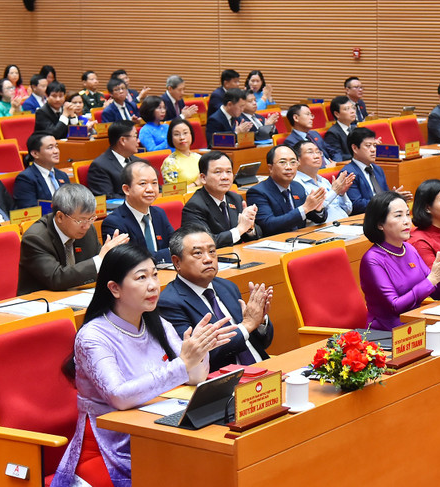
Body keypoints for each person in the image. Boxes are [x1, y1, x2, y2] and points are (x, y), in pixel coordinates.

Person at [51, 243, 234, 487]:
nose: (153, 285)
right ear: (114, 288)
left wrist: (201, 351)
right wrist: (183, 363)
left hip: (155, 428)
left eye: (155, 275)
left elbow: (194, 377)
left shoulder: (155, 322)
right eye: (141, 277)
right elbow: (119, 396)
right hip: (110, 444)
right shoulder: (92, 336)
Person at [158, 225, 274, 372]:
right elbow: (198, 358)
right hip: (224, 378)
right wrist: (248, 325)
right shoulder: (169, 303)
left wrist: (260, 322)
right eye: (198, 253)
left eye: (212, 251)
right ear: (177, 262)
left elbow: (262, 343)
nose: (208, 259)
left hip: (263, 367)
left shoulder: (227, 287)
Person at [360, 191, 440, 331]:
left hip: (416, 324)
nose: (407, 221)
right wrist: (432, 280)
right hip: (387, 332)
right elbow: (395, 306)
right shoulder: (372, 259)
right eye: (398, 216)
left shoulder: (409, 249)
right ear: (380, 224)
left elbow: (437, 294)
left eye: (407, 214)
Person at [18, 183, 129, 294]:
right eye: (80, 220)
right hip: (42, 299)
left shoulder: (88, 230)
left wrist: (113, 257)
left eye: (91, 218)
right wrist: (100, 259)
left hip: (78, 295)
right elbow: (56, 279)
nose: (87, 226)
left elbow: (98, 267)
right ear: (60, 217)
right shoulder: (35, 238)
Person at [181, 151, 261, 247]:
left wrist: (249, 227)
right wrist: (240, 229)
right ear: (203, 178)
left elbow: (257, 234)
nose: (225, 177)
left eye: (228, 172)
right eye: (218, 172)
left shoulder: (235, 199)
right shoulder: (194, 206)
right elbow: (203, 243)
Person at [246, 144, 327, 236]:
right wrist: (305, 208)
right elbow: (268, 225)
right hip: (275, 241)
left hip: (301, 239)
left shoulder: (297, 187)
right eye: (283, 162)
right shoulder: (258, 192)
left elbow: (317, 218)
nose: (289, 167)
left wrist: (317, 209)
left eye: (293, 162)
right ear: (270, 168)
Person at [101, 161, 174, 263]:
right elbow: (129, 261)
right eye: (143, 184)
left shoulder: (159, 213)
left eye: (154, 183)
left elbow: (176, 246)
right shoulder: (113, 223)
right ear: (126, 189)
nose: (150, 189)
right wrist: (167, 253)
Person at [341, 127, 411, 214]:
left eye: (374, 145)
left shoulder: (378, 169)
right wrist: (388, 199)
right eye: (368, 146)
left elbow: (384, 195)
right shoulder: (348, 173)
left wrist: (393, 196)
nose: (373, 150)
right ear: (355, 148)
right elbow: (356, 205)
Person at [294, 140, 354, 223]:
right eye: (310, 152)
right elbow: (312, 213)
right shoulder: (296, 184)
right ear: (297, 160)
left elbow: (348, 210)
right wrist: (334, 191)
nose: (317, 156)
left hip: (345, 223)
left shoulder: (323, 181)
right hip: (324, 229)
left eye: (318, 152)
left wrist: (341, 194)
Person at [86, 120, 143, 198]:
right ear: (123, 140)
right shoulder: (99, 166)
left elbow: (153, 185)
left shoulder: (139, 162)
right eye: (135, 136)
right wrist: (139, 198)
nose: (138, 141)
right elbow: (108, 197)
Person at [13, 132, 69, 208]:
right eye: (50, 148)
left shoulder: (62, 175)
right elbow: (30, 209)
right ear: (35, 154)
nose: (56, 151)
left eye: (56, 146)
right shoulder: (26, 179)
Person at [162, 118, 203, 189]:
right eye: (176, 134)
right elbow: (171, 191)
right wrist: (195, 184)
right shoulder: (170, 162)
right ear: (171, 138)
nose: (182, 137)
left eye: (185, 133)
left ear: (191, 134)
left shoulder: (199, 158)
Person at [325, 95, 358, 162]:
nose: (352, 111)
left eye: (353, 108)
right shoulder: (332, 133)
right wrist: (359, 156)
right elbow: (338, 156)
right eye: (347, 109)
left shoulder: (355, 128)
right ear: (337, 114)